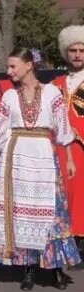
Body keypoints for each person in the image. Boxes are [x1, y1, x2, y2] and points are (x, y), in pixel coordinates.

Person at [0, 48, 81, 290]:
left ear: (29, 65)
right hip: (15, 156)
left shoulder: (52, 93)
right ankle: (28, 269)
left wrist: (69, 159)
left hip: (44, 156)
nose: (9, 71)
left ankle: (55, 269)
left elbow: (63, 128)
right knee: (19, 213)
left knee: (50, 211)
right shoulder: (9, 97)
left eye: (14, 66)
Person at [53, 25, 84, 263]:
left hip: (82, 147)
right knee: (65, 194)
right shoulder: (56, 83)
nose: (77, 54)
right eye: (72, 50)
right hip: (61, 148)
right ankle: (68, 243)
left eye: (81, 50)